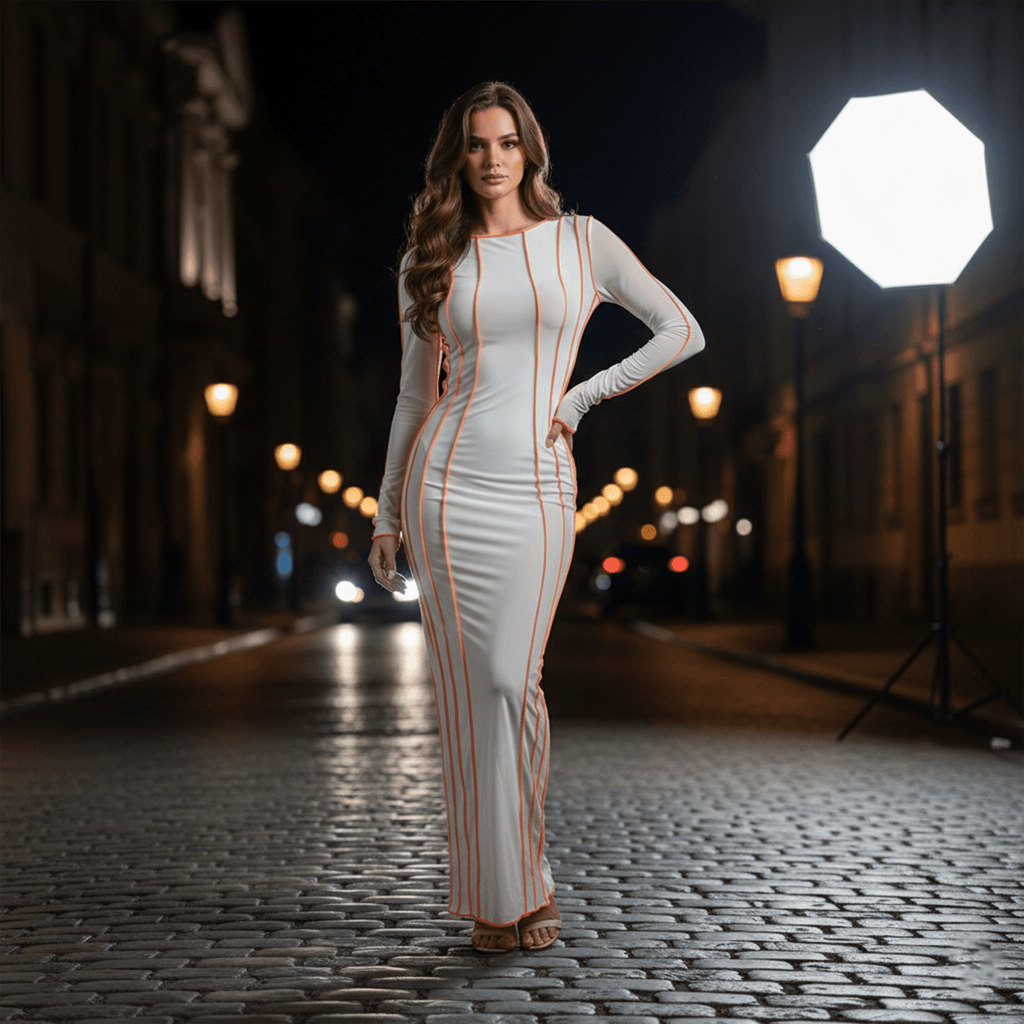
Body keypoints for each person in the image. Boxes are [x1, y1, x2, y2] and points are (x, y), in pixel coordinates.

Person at [369, 81, 705, 952]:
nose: (491, 159)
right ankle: (499, 896)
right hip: (443, 485)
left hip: (538, 482)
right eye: (476, 145)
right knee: (471, 690)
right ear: (458, 157)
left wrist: (585, 396)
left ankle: (529, 876)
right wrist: (385, 514)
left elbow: (679, 329)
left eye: (506, 142)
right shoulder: (431, 257)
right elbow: (414, 397)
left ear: (530, 151)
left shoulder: (582, 244)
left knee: (515, 683)